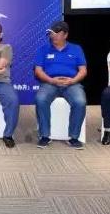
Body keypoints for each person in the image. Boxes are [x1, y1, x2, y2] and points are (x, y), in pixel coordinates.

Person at [34, 21, 87, 149]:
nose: (53, 36)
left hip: (71, 83)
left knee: (80, 101)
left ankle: (74, 137)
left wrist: (73, 81)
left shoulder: (76, 49)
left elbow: (83, 70)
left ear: (65, 35)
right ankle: (44, 136)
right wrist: (51, 80)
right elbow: (38, 71)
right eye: (52, 33)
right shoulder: (43, 49)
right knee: (40, 99)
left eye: (57, 33)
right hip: (50, 82)